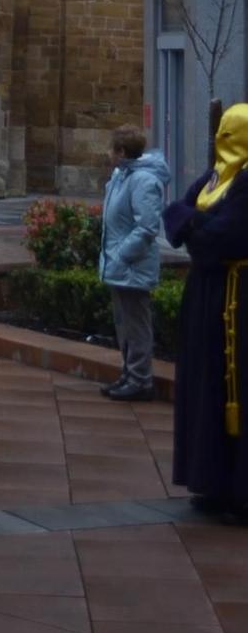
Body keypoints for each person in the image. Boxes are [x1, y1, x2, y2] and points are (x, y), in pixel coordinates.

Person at [164, 102, 248, 519]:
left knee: (238, 389)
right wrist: (196, 225)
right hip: (206, 295)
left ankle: (240, 491)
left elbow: (224, 237)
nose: (222, 141)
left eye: (232, 134)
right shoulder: (216, 177)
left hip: (239, 298)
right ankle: (212, 482)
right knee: (205, 385)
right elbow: (175, 213)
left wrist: (193, 225)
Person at [98, 125, 169, 403]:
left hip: (131, 264)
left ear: (122, 152)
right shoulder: (120, 176)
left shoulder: (143, 181)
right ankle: (129, 373)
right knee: (123, 322)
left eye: (111, 148)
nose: (107, 154)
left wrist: (122, 256)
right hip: (119, 264)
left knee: (136, 323)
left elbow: (147, 227)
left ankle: (141, 379)